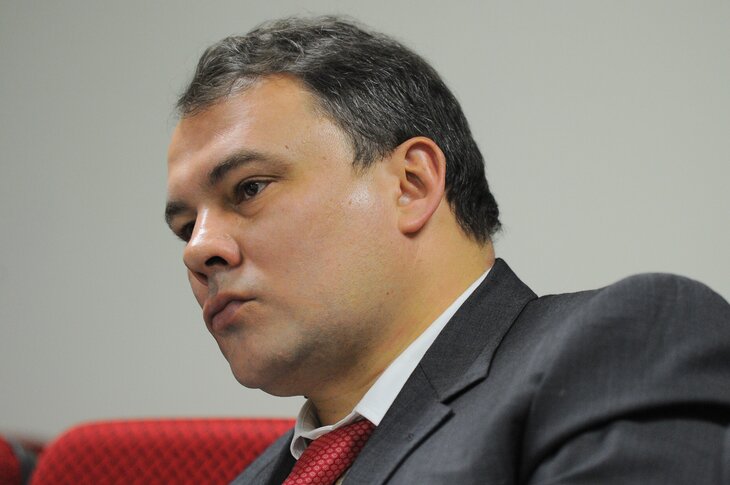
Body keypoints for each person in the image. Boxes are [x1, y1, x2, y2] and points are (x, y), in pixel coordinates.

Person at [165, 16, 730, 485]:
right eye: (186, 228)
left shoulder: (619, 352)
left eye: (249, 188)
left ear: (411, 185)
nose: (199, 250)